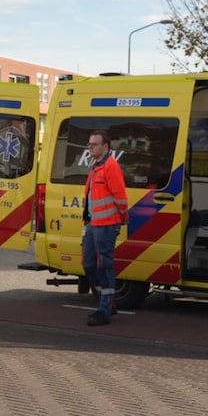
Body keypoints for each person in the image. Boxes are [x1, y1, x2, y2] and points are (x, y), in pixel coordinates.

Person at [82, 130, 128, 327]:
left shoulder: (111, 167)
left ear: (105, 146)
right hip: (93, 224)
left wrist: (123, 218)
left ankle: (104, 309)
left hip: (106, 225)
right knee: (88, 264)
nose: (90, 147)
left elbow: (121, 197)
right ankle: (107, 302)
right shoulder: (96, 166)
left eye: (94, 144)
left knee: (104, 265)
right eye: (89, 144)